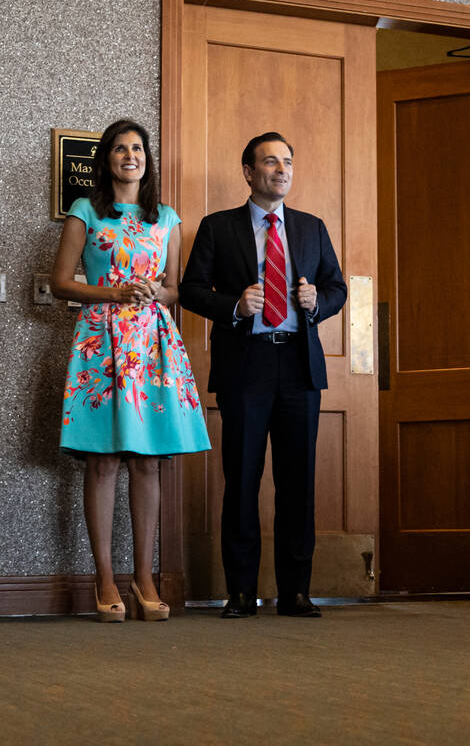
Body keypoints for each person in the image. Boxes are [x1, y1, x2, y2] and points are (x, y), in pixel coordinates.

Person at [180, 132, 346, 619]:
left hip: (298, 367)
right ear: (248, 172)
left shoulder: (312, 227)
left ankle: (296, 591)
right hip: (245, 366)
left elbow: (336, 286)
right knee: (243, 480)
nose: (281, 170)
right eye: (270, 162)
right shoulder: (218, 226)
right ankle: (240, 592)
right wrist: (232, 305)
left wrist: (319, 303)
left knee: (298, 483)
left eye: (288, 162)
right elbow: (190, 291)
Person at [51, 119, 210, 622]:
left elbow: (174, 287)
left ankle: (144, 576)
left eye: (137, 148)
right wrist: (113, 293)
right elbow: (60, 283)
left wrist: (157, 294)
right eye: (119, 149)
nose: (129, 156)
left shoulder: (166, 217)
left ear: (147, 158)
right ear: (107, 160)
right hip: (101, 341)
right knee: (103, 460)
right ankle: (104, 577)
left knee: (148, 460)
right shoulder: (85, 211)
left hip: (153, 342)